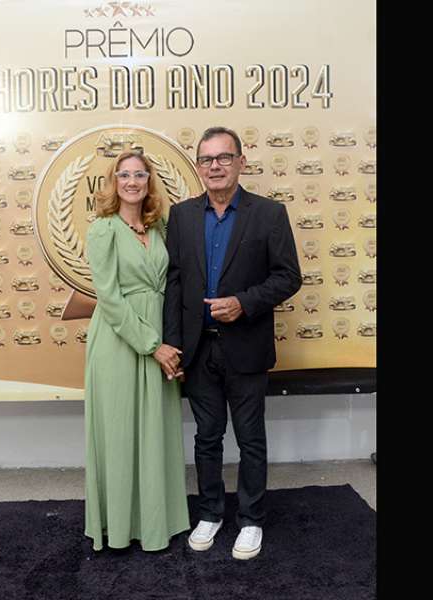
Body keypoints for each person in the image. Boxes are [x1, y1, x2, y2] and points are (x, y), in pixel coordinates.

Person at [163, 126, 302, 560]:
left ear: (241, 161)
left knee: (250, 438)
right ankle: (210, 513)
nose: (215, 166)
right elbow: (174, 284)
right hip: (198, 349)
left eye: (224, 157)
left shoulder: (269, 214)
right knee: (206, 437)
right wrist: (173, 345)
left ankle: (251, 519)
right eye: (207, 159)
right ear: (198, 166)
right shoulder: (181, 216)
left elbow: (288, 277)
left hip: (246, 346)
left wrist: (244, 303)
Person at [84, 151, 190, 552]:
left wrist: (171, 342)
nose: (132, 181)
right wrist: (152, 345)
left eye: (140, 174)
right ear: (114, 181)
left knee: (156, 429)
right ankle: (118, 526)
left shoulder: (158, 226)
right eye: (124, 174)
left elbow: (173, 284)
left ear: (149, 181)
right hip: (120, 341)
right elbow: (109, 298)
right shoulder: (103, 229)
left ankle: (158, 522)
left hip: (160, 336)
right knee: (120, 431)